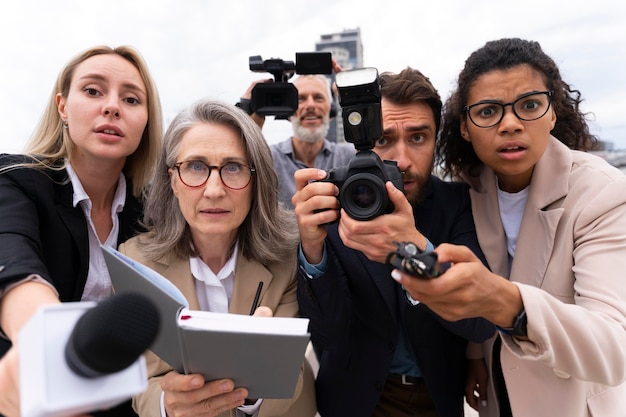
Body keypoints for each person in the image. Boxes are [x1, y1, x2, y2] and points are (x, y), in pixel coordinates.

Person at [391, 38, 626, 416]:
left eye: (529, 105)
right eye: (488, 112)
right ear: (464, 127)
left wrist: (506, 303)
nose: (510, 124)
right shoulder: (470, 189)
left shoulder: (602, 193)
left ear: (553, 112)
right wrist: (474, 356)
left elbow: (614, 348)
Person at [292, 67, 495, 417]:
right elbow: (328, 337)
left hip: (437, 393)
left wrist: (411, 250)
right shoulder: (340, 205)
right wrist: (312, 247)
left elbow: (479, 322)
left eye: (418, 138)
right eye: (384, 139)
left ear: (437, 140)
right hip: (355, 399)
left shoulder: (458, 203)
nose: (401, 160)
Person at [120, 98, 316, 417]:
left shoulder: (288, 257)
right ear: (172, 179)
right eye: (196, 166)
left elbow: (293, 375)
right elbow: (144, 379)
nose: (213, 190)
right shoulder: (135, 262)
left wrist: (255, 386)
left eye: (233, 168)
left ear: (256, 180)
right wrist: (167, 407)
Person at [0, 45, 163, 417]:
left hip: (129, 401)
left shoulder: (153, 210)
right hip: (25, 395)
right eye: (93, 91)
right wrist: (47, 353)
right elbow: (14, 259)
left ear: (146, 120)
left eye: (131, 99)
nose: (112, 107)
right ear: (62, 106)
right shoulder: (15, 181)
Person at [238, 72, 355, 209]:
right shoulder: (268, 159)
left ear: (332, 110)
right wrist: (247, 117)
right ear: (288, 111)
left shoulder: (350, 157)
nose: (310, 105)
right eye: (300, 99)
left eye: (318, 98)